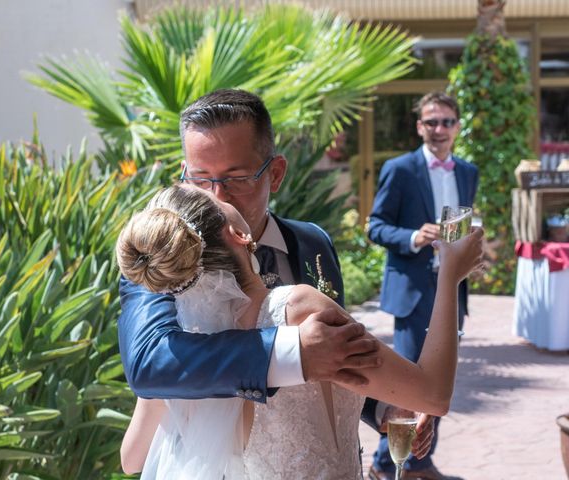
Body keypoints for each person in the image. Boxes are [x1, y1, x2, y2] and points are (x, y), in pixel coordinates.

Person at [115, 185, 483, 478]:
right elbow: (433, 394)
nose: (222, 192)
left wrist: (384, 402)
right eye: (213, 195)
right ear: (240, 236)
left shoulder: (188, 348)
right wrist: (451, 273)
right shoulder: (298, 307)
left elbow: (133, 458)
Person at [118, 89, 379, 406]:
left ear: (276, 174)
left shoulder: (313, 242)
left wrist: (382, 407)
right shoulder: (161, 253)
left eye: (237, 178)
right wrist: (289, 351)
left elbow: (337, 352)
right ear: (183, 176)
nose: (217, 196)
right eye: (200, 179)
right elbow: (148, 363)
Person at [367, 91, 479, 480]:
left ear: (457, 126)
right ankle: (386, 463)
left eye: (447, 121)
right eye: (431, 121)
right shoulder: (400, 169)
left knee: (440, 378)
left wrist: (468, 256)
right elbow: (375, 226)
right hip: (415, 291)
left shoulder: (467, 172)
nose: (439, 129)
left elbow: (462, 229)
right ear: (419, 127)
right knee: (409, 382)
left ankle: (419, 461)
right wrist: (414, 236)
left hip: (452, 291)